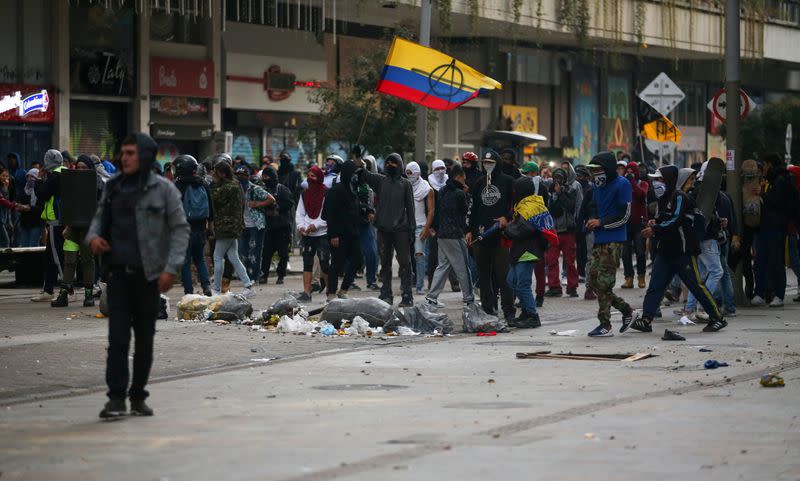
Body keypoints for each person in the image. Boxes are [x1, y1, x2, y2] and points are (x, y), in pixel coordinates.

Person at [87, 132, 190, 418]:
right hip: (117, 276)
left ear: (144, 156)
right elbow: (97, 221)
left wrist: (171, 268)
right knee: (118, 339)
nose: (125, 158)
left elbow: (180, 229)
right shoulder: (113, 187)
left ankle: (138, 395)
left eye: (131, 153)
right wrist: (94, 238)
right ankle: (116, 398)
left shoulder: (164, 190)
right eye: (123, 152)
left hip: (149, 278)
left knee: (145, 340)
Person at [625, 166, 727, 334]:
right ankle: (646, 319)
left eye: (659, 179)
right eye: (655, 180)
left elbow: (675, 219)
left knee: (696, 286)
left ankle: (718, 318)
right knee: (655, 286)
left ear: (669, 180)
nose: (656, 183)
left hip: (683, 252)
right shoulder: (663, 198)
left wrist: (655, 229)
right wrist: (654, 223)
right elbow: (663, 219)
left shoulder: (679, 197)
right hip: (666, 251)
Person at [584, 151, 634, 337]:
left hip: (614, 241)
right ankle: (627, 310)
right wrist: (590, 220)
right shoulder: (597, 187)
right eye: (592, 170)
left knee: (604, 284)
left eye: (598, 169)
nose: (595, 173)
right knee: (592, 282)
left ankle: (605, 324)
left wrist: (601, 222)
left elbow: (624, 216)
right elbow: (594, 207)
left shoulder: (622, 184)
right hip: (598, 239)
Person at [356, 153, 415, 307]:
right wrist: (359, 163)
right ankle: (386, 293)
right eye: (388, 162)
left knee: (405, 264)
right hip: (383, 228)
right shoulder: (381, 181)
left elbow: (411, 208)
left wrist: (412, 231)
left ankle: (407, 295)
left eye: (394, 162)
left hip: (401, 230)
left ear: (400, 164)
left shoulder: (405, 184)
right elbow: (365, 175)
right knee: (385, 263)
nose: (390, 164)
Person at [503, 176, 555, 328]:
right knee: (511, 280)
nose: (513, 192)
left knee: (522, 284)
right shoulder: (525, 204)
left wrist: (507, 229)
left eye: (515, 189)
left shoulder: (530, 205)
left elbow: (525, 228)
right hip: (520, 249)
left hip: (529, 250)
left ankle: (532, 315)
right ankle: (525, 312)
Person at [469, 150, 515, 320]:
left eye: (491, 163)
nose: (487, 166)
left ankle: (509, 311)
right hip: (480, 237)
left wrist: (507, 218)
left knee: (504, 277)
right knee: (483, 276)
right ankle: (488, 309)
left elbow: (517, 205)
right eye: (485, 163)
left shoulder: (508, 182)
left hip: (501, 237)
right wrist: (469, 230)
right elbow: (472, 208)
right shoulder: (479, 183)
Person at [52, 155, 102, 308]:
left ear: (90, 169)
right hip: (73, 227)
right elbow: (67, 204)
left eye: (84, 168)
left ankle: (88, 296)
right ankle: (64, 295)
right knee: (69, 260)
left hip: (89, 227)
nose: (80, 170)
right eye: (78, 167)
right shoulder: (71, 182)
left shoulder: (97, 182)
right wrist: (66, 225)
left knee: (87, 260)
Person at [751, 152, 799, 307]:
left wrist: (763, 195)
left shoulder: (781, 180)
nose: (762, 168)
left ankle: (779, 294)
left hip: (776, 227)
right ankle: (760, 292)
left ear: (769, 164)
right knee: (760, 261)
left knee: (776, 261)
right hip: (764, 227)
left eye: (764, 165)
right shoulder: (770, 181)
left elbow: (779, 203)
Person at [425, 164, 475, 308]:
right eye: (464, 177)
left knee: (443, 265)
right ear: (459, 176)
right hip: (455, 235)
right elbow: (465, 212)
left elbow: (438, 211)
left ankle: (432, 297)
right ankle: (468, 298)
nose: (465, 179)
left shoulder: (442, 191)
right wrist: (467, 194)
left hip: (442, 235)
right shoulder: (460, 193)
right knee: (462, 266)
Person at [209, 161, 256, 298]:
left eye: (215, 172)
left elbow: (213, 198)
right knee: (234, 257)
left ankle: (216, 290)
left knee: (217, 257)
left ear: (222, 173)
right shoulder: (235, 184)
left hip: (226, 227)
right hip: (234, 226)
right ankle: (248, 286)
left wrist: (211, 184)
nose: (213, 175)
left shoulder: (225, 187)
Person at [322, 161, 363, 301]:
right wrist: (333, 234)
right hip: (339, 235)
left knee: (357, 260)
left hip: (353, 234)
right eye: (353, 174)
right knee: (337, 263)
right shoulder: (336, 191)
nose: (355, 177)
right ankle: (331, 292)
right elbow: (330, 214)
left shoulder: (352, 190)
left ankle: (344, 290)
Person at [173, 155, 213, 297]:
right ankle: (206, 286)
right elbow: (211, 209)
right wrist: (210, 227)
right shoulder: (204, 184)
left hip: (183, 230)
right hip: (201, 229)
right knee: (200, 259)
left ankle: (189, 292)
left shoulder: (177, 186)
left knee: (185, 262)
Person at [31, 150, 66, 303]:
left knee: (56, 257)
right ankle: (48, 289)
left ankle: (66, 288)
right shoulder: (64, 172)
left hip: (55, 222)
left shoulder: (55, 177)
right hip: (60, 221)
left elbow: (41, 194)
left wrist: (38, 180)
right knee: (51, 257)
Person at [544, 166, 580, 297]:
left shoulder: (571, 190)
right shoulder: (550, 192)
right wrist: (554, 195)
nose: (557, 181)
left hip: (568, 231)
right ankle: (554, 287)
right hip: (554, 231)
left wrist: (561, 193)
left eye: (560, 178)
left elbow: (570, 207)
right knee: (552, 260)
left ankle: (572, 287)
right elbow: (553, 211)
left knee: (570, 261)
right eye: (555, 178)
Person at [235, 164, 274, 283]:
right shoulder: (236, 189)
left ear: (248, 176)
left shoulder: (254, 188)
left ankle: (254, 276)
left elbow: (271, 199)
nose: (240, 177)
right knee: (242, 251)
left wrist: (257, 204)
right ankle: (246, 276)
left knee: (254, 252)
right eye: (238, 175)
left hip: (256, 226)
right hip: (242, 225)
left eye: (243, 175)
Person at [295, 165, 329, 302]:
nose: (310, 179)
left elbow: (327, 214)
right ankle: (306, 292)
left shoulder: (326, 193)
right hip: (307, 234)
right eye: (308, 176)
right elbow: (300, 213)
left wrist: (316, 225)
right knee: (307, 263)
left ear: (319, 178)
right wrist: (302, 226)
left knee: (325, 262)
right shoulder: (304, 194)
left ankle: (330, 292)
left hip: (322, 233)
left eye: (313, 176)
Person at [520, 161, 551, 306]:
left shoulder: (542, 188)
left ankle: (539, 296)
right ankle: (525, 296)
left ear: (533, 173)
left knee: (538, 267)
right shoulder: (522, 185)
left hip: (537, 231)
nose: (524, 176)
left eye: (527, 173)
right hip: (527, 231)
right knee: (524, 267)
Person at [260, 166, 294, 285]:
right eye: (263, 176)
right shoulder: (262, 189)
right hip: (269, 227)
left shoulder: (282, 189)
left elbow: (289, 203)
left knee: (283, 254)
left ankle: (281, 276)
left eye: (266, 176)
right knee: (266, 254)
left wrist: (277, 207)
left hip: (282, 227)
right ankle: (264, 275)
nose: (264, 179)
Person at [405, 161, 434, 295]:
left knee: (419, 255)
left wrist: (427, 228)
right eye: (407, 172)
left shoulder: (426, 188)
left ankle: (419, 286)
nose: (409, 175)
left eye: (411, 172)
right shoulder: (404, 185)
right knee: (405, 257)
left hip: (420, 226)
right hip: (404, 226)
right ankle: (405, 284)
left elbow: (431, 210)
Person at [621, 161, 649, 289]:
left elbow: (641, 195)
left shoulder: (643, 184)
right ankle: (629, 277)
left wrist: (632, 182)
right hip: (626, 223)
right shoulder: (623, 184)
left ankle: (641, 276)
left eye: (632, 172)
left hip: (639, 223)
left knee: (640, 252)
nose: (630, 174)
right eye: (628, 172)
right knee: (626, 252)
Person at [356, 156, 379, 291]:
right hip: (354, 220)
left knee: (371, 252)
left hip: (368, 222)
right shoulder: (355, 181)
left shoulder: (377, 181)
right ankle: (350, 280)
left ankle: (371, 280)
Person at [16, 168, 42, 247]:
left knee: (32, 246)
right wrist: (19, 207)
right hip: (24, 223)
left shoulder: (40, 191)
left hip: (36, 224)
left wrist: (30, 208)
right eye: (28, 176)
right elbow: (18, 202)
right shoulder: (23, 190)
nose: (30, 179)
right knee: (24, 247)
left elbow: (42, 208)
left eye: (33, 176)